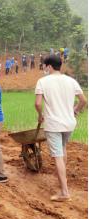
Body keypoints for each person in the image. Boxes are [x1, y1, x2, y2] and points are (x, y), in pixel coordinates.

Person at [35, 55, 86, 201]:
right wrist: (75, 111)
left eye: (45, 66)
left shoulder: (43, 81)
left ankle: (64, 192)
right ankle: (63, 183)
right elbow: (83, 100)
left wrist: (40, 115)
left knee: (57, 155)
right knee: (63, 148)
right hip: (69, 123)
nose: (45, 69)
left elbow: (38, 104)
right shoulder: (71, 81)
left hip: (53, 124)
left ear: (49, 66)